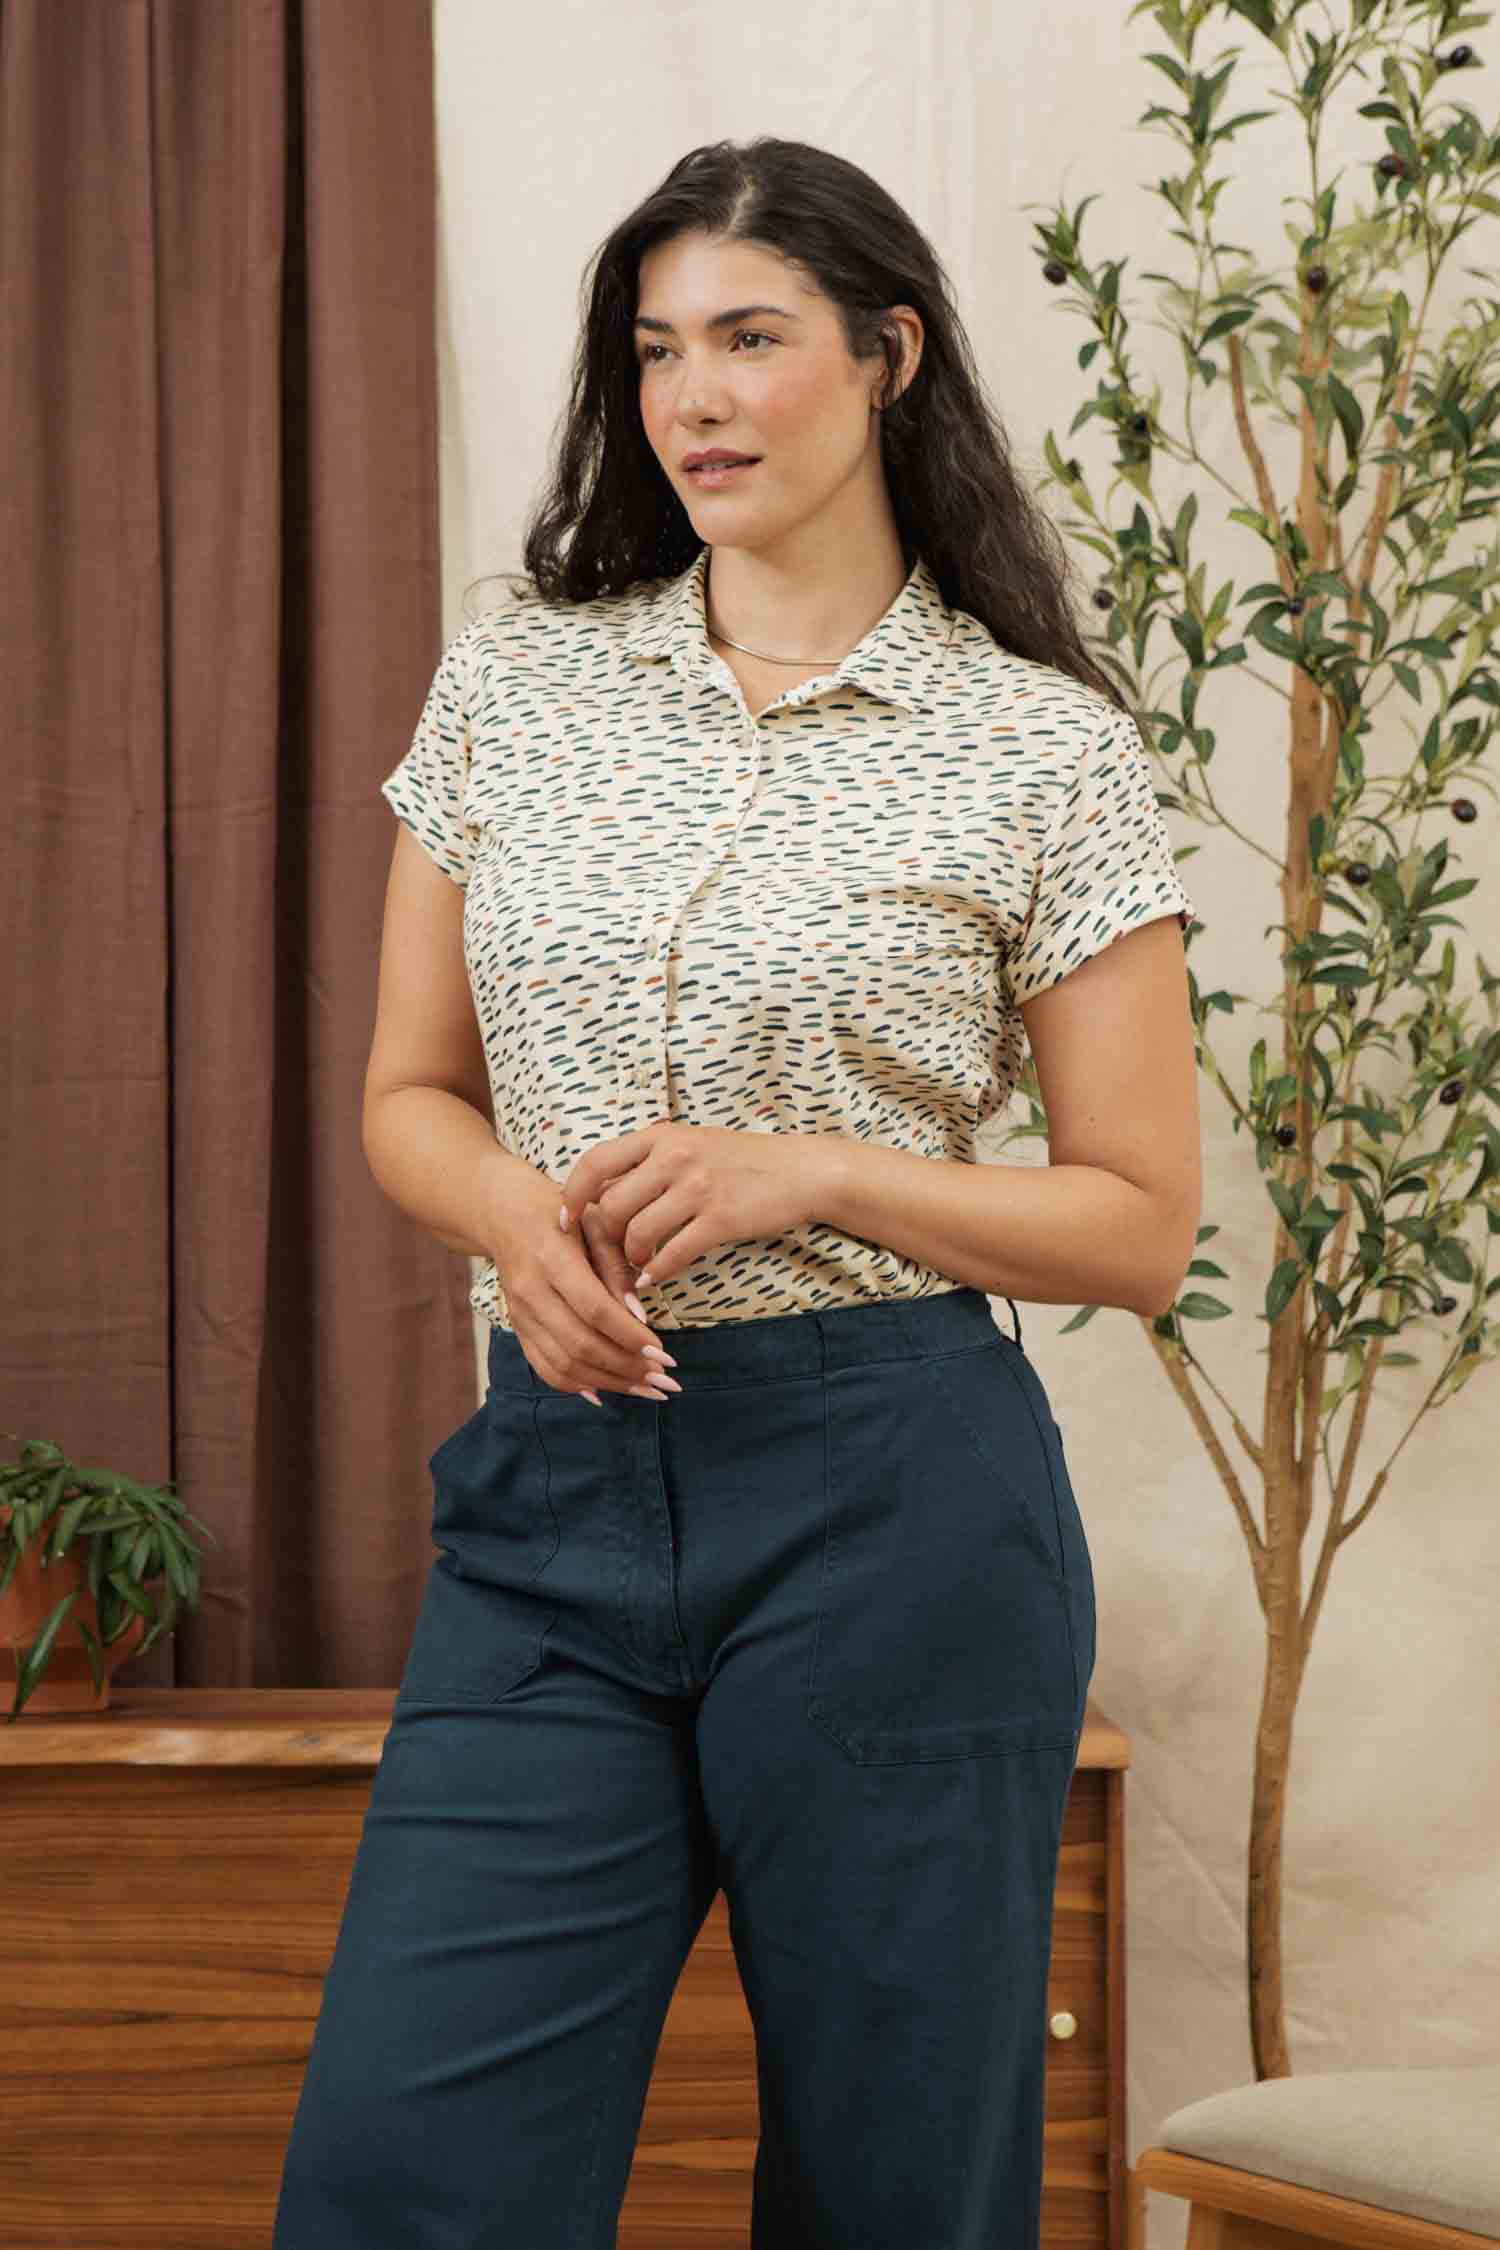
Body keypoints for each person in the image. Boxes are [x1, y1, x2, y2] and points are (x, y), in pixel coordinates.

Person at [273, 135, 1200, 2250]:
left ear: (886, 357)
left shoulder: (1036, 749)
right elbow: (408, 1094)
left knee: (896, 2195)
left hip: (893, 1507)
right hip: (553, 1493)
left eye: (750, 340)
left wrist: (819, 1172)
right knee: (407, 2179)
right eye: (657, 347)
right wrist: (514, 1221)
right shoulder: (522, 672)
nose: (691, 395)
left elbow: (1141, 1220)